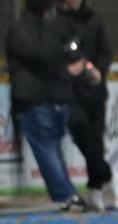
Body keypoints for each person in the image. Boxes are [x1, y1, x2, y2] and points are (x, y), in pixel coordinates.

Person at [6, 0, 87, 212]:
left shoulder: (25, 30)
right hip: (45, 96)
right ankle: (67, 193)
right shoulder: (37, 29)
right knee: (50, 147)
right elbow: (59, 52)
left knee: (48, 148)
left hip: (40, 98)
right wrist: (68, 63)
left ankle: (66, 195)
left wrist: (70, 60)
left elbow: (58, 52)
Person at [57, 0, 118, 211]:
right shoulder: (57, 21)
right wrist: (68, 68)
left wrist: (98, 70)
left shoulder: (94, 20)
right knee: (82, 134)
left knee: (95, 140)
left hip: (94, 91)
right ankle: (109, 175)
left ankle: (96, 187)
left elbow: (106, 51)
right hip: (71, 92)